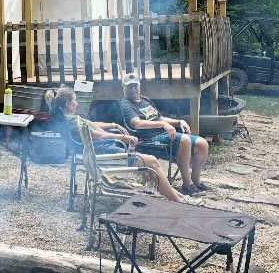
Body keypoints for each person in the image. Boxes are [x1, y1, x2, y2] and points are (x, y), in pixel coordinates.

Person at [48, 87, 195, 205]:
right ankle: (178, 202)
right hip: (103, 153)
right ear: (68, 103)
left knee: (151, 163)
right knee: (150, 162)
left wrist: (113, 125)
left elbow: (93, 125)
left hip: (100, 149)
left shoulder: (70, 118)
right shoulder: (73, 121)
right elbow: (98, 134)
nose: (77, 103)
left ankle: (178, 197)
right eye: (75, 100)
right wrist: (123, 137)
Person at [118, 73, 210, 195]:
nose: (133, 89)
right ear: (123, 87)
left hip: (162, 134)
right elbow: (137, 124)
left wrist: (179, 122)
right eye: (129, 87)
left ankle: (196, 180)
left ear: (140, 85)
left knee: (202, 143)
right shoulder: (126, 104)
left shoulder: (145, 100)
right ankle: (187, 185)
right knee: (184, 140)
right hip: (147, 139)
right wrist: (162, 125)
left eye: (135, 86)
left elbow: (160, 118)